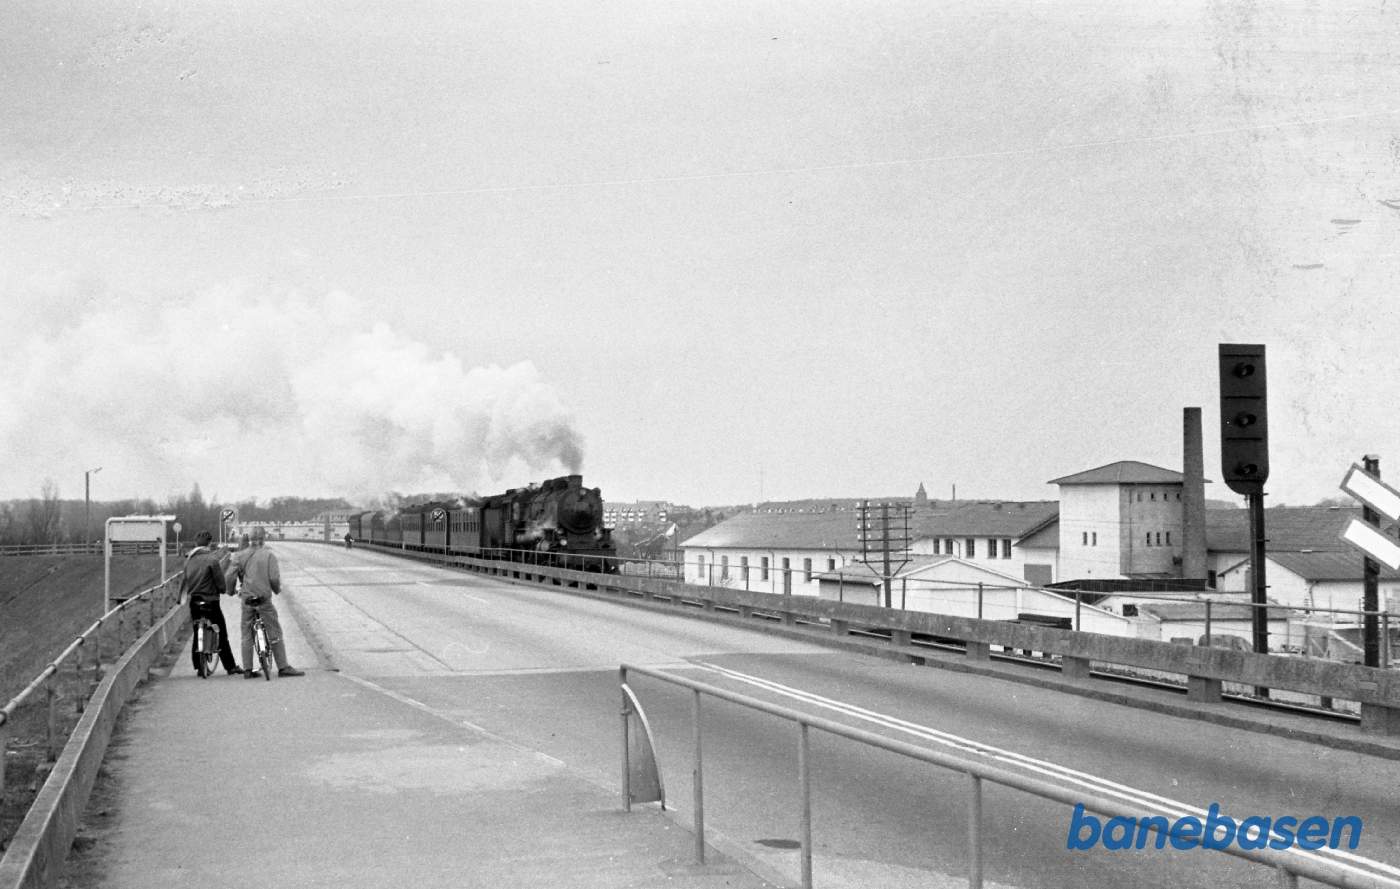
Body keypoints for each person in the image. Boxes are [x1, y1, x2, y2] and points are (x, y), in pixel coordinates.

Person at [234, 526, 305, 678]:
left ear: (249, 539)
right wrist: (276, 590)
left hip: (247, 599)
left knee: (246, 633)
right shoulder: (269, 556)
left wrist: (229, 590)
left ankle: (247, 669)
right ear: (263, 539)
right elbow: (273, 578)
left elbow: (229, 575)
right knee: (274, 631)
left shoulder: (240, 556)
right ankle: (283, 667)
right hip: (264, 599)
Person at [180, 529, 242, 676]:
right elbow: (220, 583)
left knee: (197, 631)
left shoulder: (188, 560)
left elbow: (185, 581)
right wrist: (222, 589)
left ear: (196, 543)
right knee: (220, 632)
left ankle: (198, 666)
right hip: (210, 601)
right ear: (209, 543)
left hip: (195, 601)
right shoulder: (212, 560)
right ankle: (230, 667)